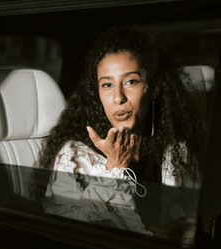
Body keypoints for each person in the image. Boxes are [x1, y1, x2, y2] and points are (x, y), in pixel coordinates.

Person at [36, 26, 206, 236]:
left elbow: (193, 212)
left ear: (154, 88)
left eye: (130, 82)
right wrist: (114, 167)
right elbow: (74, 233)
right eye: (107, 85)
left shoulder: (176, 150)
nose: (118, 97)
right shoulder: (75, 156)